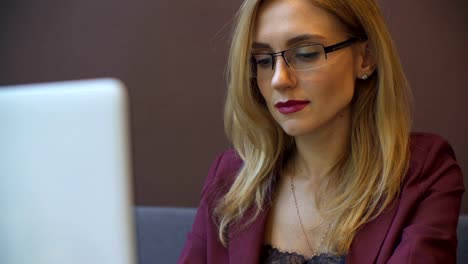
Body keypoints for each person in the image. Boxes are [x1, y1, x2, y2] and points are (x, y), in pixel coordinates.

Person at [178, 0, 465, 263]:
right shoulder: (230, 180)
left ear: (365, 57)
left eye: (306, 54)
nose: (279, 79)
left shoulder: (425, 171)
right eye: (264, 60)